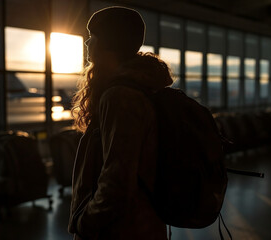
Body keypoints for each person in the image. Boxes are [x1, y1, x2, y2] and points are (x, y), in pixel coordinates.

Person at [68, 6, 173, 240]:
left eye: (92, 37)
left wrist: (85, 222)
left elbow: (117, 180)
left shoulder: (120, 97)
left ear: (108, 43)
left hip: (120, 229)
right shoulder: (144, 89)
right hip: (146, 223)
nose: (87, 43)